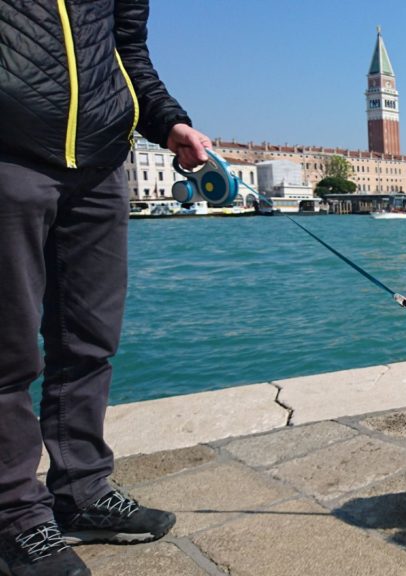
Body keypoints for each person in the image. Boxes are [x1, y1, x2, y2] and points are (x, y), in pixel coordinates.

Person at [0, 2, 211, 575]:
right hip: (10, 155)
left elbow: (128, 53)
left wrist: (167, 121)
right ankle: (16, 517)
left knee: (90, 339)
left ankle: (82, 492)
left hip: (99, 162)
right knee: (8, 353)